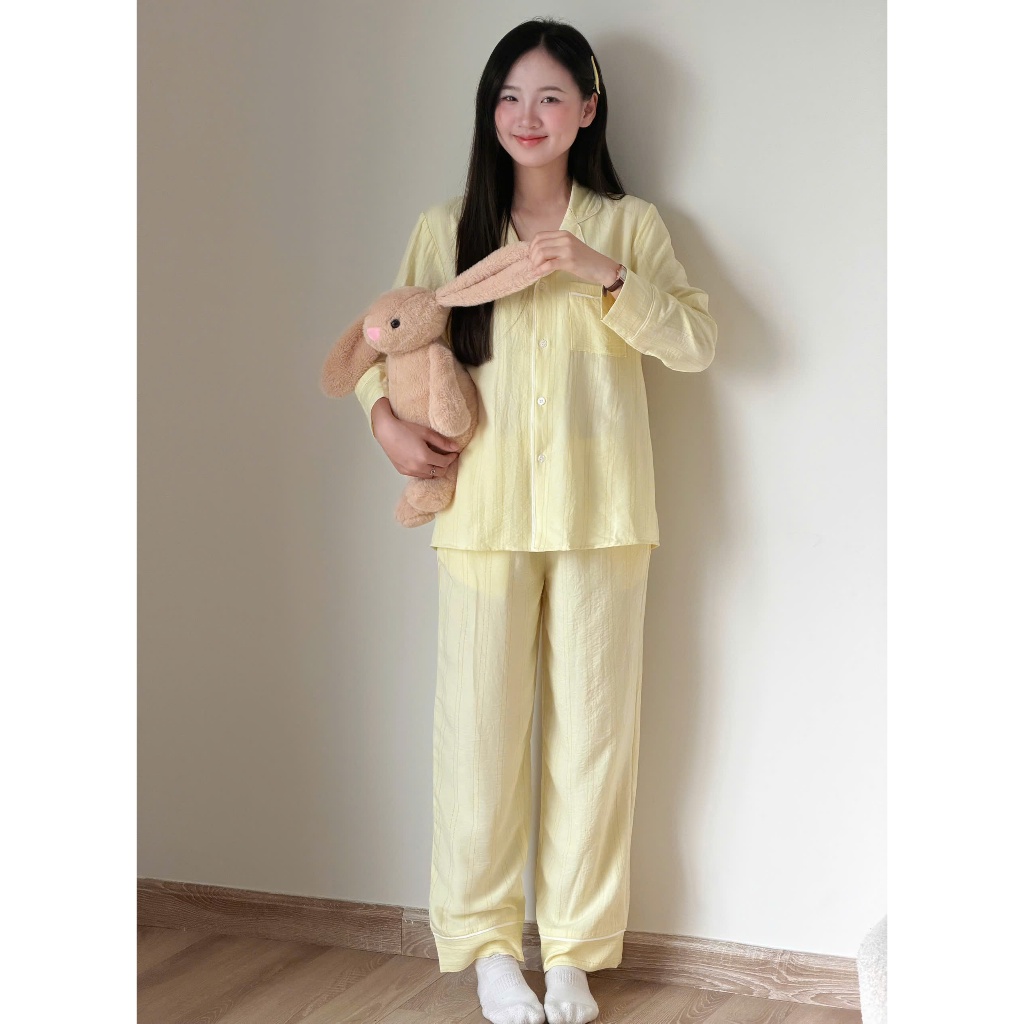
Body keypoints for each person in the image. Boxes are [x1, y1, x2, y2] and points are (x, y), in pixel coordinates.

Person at [353, 18, 717, 1024]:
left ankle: (572, 955)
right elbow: (384, 342)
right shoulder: (446, 228)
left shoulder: (630, 226)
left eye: (550, 96)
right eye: (509, 97)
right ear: (489, 112)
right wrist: (383, 422)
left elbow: (695, 342)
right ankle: (485, 950)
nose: (527, 115)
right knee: (477, 739)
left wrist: (606, 273)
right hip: (482, 515)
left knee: (594, 743)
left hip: (603, 517)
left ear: (588, 109)